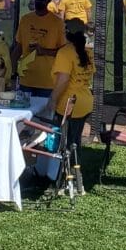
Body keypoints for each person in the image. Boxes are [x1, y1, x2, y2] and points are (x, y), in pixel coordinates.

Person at [45, 18, 95, 151]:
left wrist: (53, 99)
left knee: (66, 142)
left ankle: (67, 169)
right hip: (85, 100)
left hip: (69, 103)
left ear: (67, 33)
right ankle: (75, 167)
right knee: (75, 140)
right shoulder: (88, 52)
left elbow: (63, 80)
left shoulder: (65, 52)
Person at [11, 0, 66, 96]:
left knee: (43, 113)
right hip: (26, 80)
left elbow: (63, 51)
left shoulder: (57, 22)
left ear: (49, 0)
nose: (39, 2)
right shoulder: (25, 19)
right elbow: (19, 47)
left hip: (47, 82)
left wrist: (44, 51)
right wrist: (11, 70)